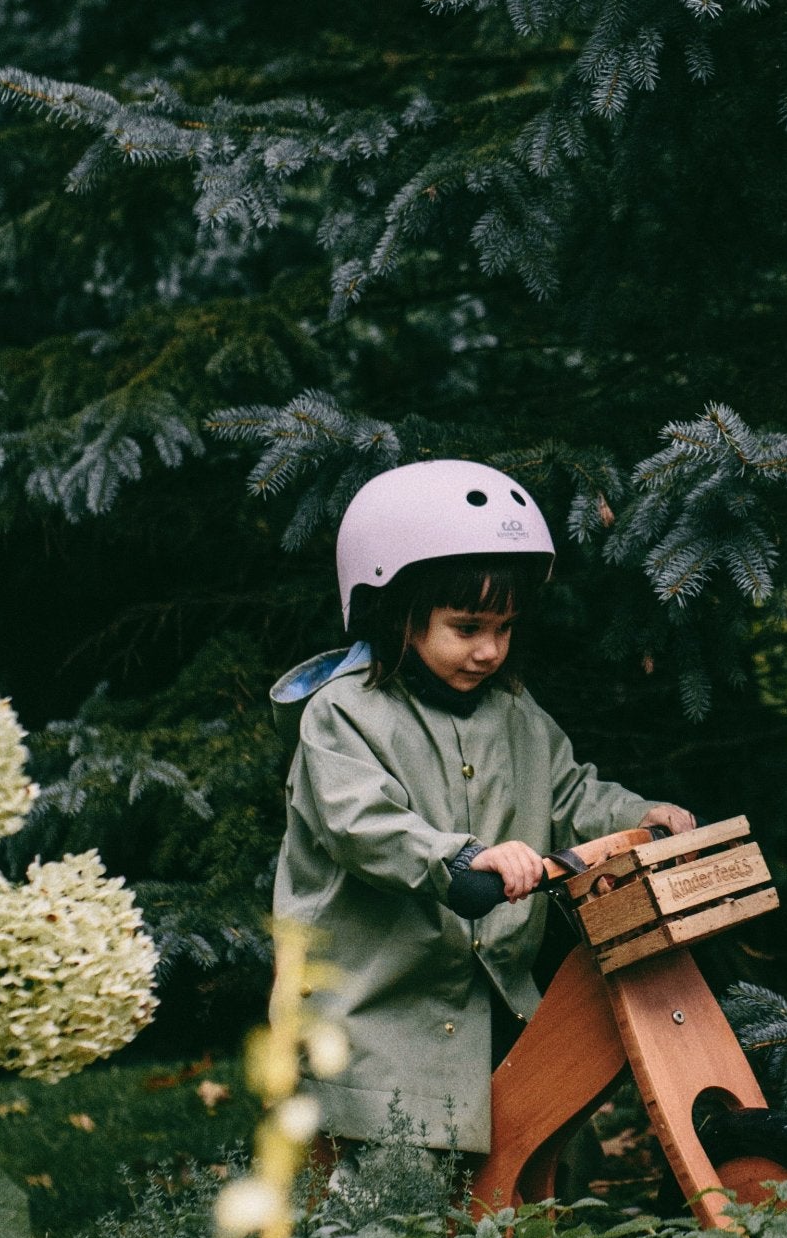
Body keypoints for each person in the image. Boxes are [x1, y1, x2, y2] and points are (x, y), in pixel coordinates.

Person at [274, 459, 694, 1162]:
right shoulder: (342, 717)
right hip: (378, 1020)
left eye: (504, 627)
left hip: (496, 1001)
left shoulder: (516, 717)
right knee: (387, 1206)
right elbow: (366, 826)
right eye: (466, 626)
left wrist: (642, 813)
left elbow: (571, 796)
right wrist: (463, 860)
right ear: (393, 609)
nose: (490, 650)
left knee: (526, 1169)